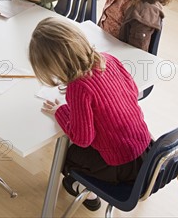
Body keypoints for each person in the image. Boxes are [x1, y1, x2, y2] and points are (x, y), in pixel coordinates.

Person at [29, 17, 151, 211]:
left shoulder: (78, 87)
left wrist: (61, 112)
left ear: (54, 66)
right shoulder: (109, 59)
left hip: (120, 165)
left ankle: (89, 193)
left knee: (66, 158)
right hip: (147, 151)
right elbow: (133, 92)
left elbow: (82, 138)